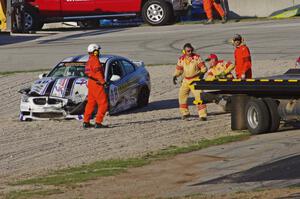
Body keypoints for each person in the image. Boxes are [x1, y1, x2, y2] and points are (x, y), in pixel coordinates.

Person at [173, 43, 208, 121]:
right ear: (184, 51)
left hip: (195, 80)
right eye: (188, 51)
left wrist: (202, 73)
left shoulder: (197, 58)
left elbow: (204, 68)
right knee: (182, 96)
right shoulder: (181, 59)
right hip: (185, 80)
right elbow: (179, 69)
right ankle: (185, 113)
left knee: (199, 97)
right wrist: (175, 76)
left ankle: (203, 115)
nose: (190, 52)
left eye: (191, 50)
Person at [83, 43, 109, 129]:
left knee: (91, 102)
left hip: (91, 83)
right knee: (103, 103)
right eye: (97, 51)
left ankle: (86, 122)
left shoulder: (89, 61)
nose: (98, 52)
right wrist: (103, 82)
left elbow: (87, 72)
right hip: (97, 83)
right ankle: (98, 122)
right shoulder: (95, 61)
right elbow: (98, 73)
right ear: (94, 51)